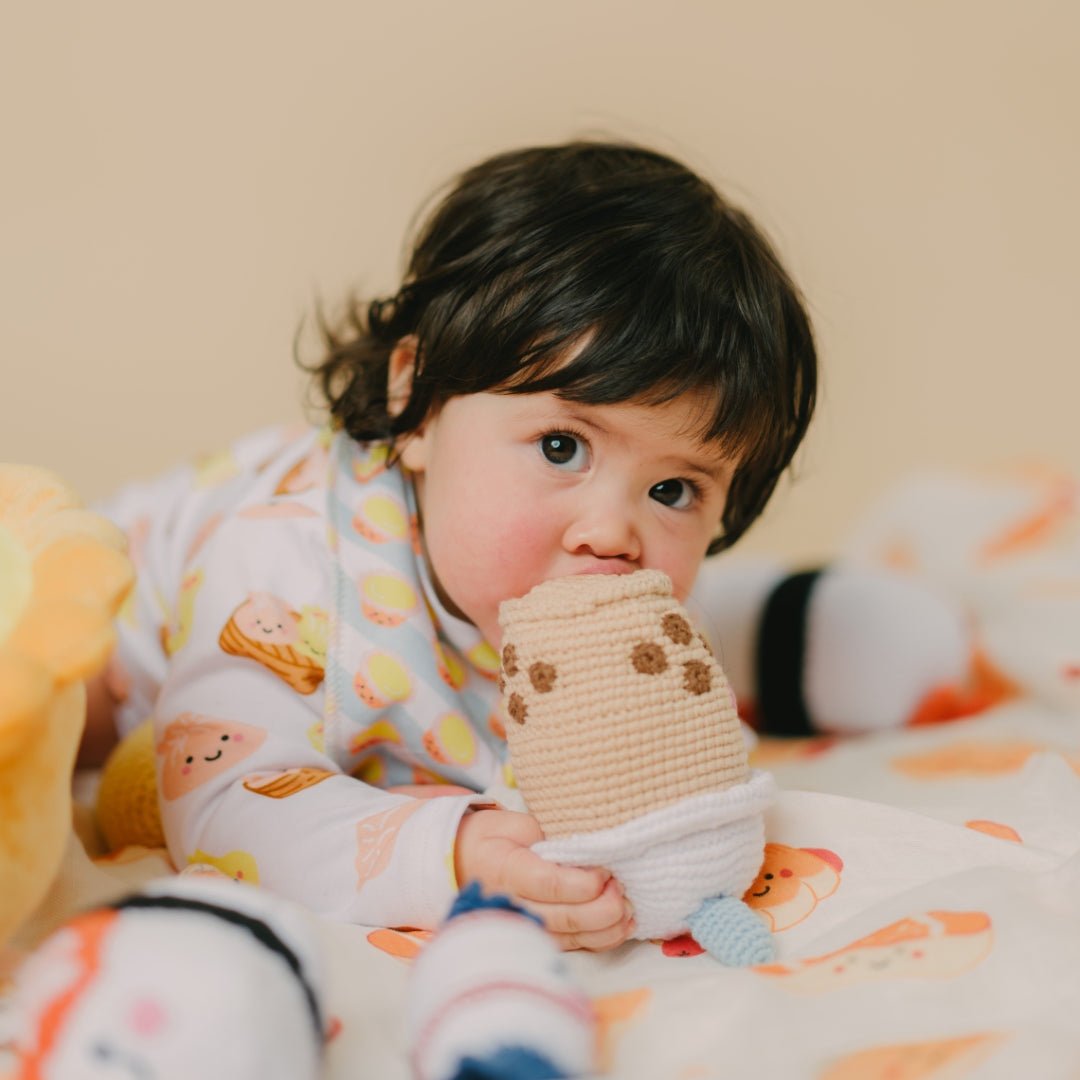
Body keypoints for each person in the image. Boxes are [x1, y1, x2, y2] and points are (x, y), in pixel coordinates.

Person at [87, 140, 817, 952]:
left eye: (674, 491)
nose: (614, 536)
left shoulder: (619, 582)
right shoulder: (288, 566)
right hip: (95, 623)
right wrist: (452, 853)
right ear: (419, 400)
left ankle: (798, 619)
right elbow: (220, 803)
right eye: (561, 447)